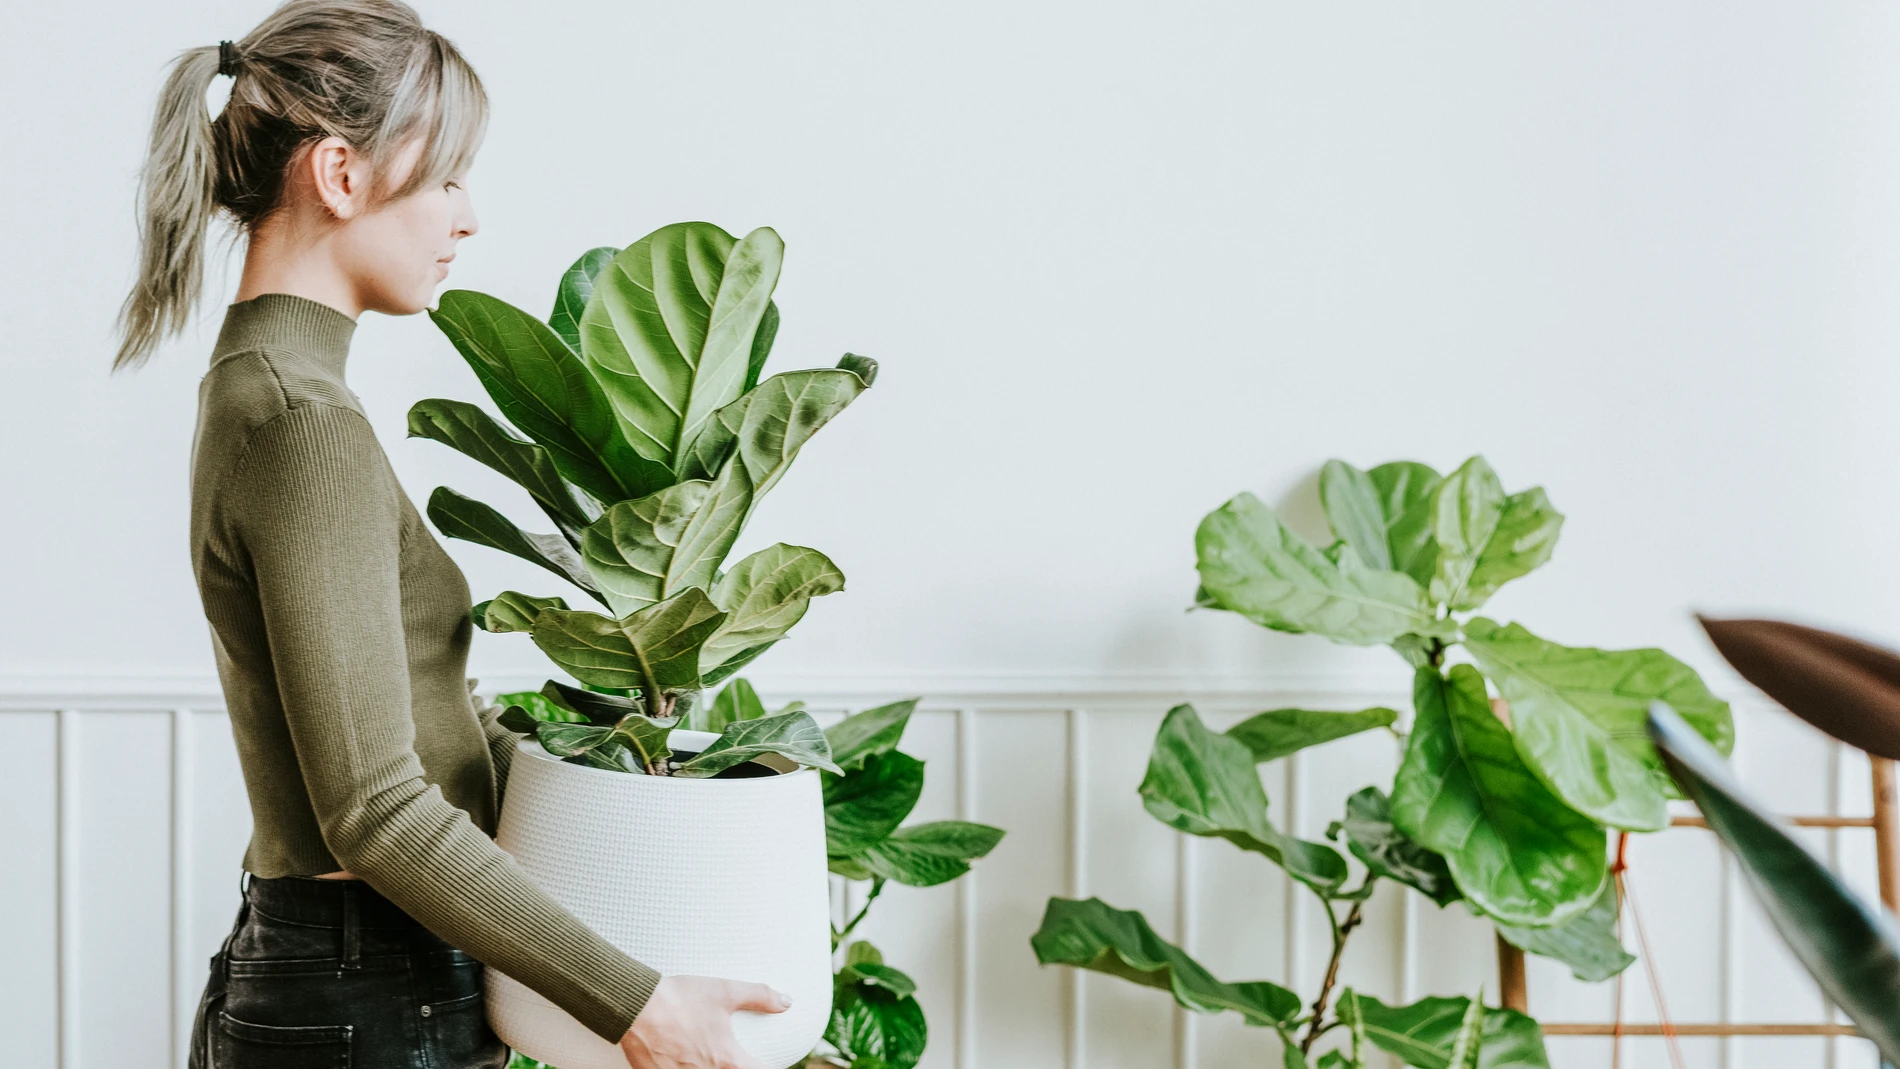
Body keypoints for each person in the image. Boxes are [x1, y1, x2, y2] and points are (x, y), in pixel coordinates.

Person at [115, 3, 787, 1067]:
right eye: (447, 178)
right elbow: (376, 809)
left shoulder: (268, 390)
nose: (467, 218)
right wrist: (640, 1004)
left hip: (341, 981)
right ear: (340, 175)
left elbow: (419, 723)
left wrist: (630, 782)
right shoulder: (300, 419)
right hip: (369, 992)